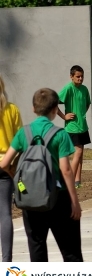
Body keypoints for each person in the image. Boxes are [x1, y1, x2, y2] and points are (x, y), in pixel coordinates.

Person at [0, 88, 82, 262]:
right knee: (70, 250)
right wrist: (74, 202)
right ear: (54, 110)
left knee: (37, 248)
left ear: (33, 109)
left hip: (31, 199)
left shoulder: (24, 133)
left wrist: (17, 179)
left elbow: (4, 163)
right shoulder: (60, 134)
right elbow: (66, 170)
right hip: (58, 197)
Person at [57, 65, 91, 188]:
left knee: (81, 153)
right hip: (72, 127)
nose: (80, 79)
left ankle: (78, 180)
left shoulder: (84, 89)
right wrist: (64, 116)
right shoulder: (68, 88)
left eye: (82, 76)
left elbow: (87, 104)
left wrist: (81, 115)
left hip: (83, 126)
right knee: (78, 151)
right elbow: (54, 102)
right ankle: (68, 180)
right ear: (71, 76)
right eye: (78, 76)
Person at [0, 75, 21, 261]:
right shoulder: (12, 110)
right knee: (5, 213)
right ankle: (6, 261)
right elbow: (20, 142)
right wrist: (13, 167)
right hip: (5, 166)